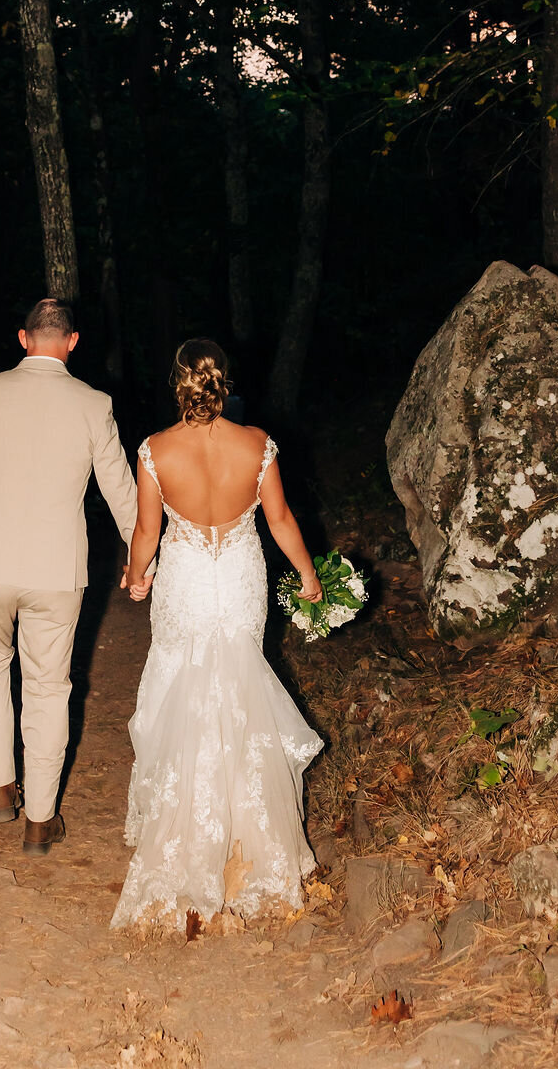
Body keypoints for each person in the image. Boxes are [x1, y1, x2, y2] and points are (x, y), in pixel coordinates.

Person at [112, 338, 324, 928]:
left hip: (183, 578)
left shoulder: (155, 450)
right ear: (224, 381)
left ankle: (186, 834)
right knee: (237, 686)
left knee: (182, 685)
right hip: (237, 577)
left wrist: (136, 576)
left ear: (176, 383)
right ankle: (245, 841)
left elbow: (147, 529)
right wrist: (308, 574)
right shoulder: (257, 444)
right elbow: (279, 518)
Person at [0, 299, 137, 855]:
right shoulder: (94, 403)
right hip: (54, 570)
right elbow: (120, 488)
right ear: (72, 342)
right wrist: (144, 557)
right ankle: (40, 822)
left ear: (23, 338)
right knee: (48, 688)